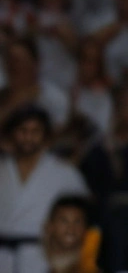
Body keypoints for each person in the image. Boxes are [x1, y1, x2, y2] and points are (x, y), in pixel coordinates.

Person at [0, 106, 91, 273]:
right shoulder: (3, 168)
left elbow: (84, 212)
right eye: (23, 130)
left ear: (45, 136)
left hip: (42, 255)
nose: (28, 137)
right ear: (12, 134)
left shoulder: (63, 172)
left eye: (36, 131)